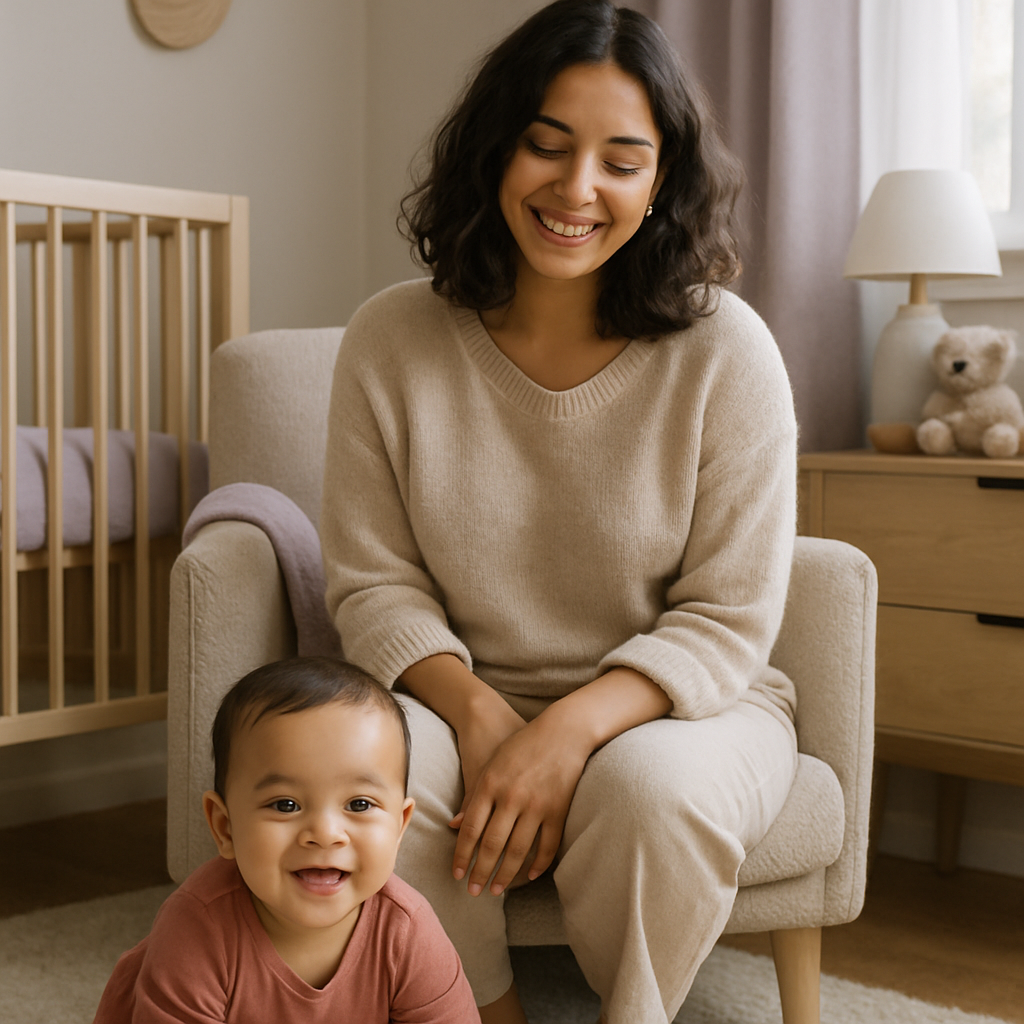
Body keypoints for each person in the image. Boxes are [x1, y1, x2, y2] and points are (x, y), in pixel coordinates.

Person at [320, 2, 799, 1022]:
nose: (577, 189)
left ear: (659, 180)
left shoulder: (728, 351)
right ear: (496, 150)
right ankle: (470, 1010)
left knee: (649, 794)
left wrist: (569, 729)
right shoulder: (390, 337)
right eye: (546, 145)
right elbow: (373, 585)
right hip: (459, 694)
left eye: (622, 161)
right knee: (362, 775)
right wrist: (485, 713)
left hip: (687, 707)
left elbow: (728, 618)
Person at [93, 657, 480, 1023]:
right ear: (225, 828)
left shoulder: (408, 930)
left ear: (399, 826)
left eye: (359, 803)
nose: (325, 834)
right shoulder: (196, 928)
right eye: (286, 804)